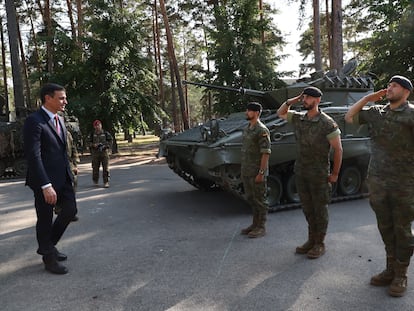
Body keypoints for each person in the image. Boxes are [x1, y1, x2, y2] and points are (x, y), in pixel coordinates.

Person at [345, 75, 414, 297]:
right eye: (389, 85)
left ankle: (401, 274)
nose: (389, 88)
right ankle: (390, 269)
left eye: (395, 85)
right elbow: (349, 116)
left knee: (402, 230)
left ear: (406, 92)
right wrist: (368, 97)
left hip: (404, 183)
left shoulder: (412, 114)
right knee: (385, 227)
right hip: (378, 181)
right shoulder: (377, 112)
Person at [277, 86, 343, 259]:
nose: (304, 100)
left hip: (319, 174)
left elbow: (338, 149)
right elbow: (281, 113)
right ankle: (311, 239)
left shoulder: (327, 123)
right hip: (301, 171)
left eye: (308, 98)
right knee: (307, 208)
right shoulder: (299, 118)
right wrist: (293, 99)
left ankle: (319, 243)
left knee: (319, 209)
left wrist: (335, 173)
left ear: (317, 100)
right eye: (304, 97)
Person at [23, 83, 77, 274]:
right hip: (44, 181)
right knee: (45, 218)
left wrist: (70, 174)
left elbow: (62, 151)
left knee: (70, 210)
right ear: (48, 98)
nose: (65, 101)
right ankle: (49, 258)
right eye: (61, 98)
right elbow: (34, 155)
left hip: (63, 178)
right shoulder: (34, 121)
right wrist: (46, 184)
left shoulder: (59, 119)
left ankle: (47, 247)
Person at [240, 102, 271, 238]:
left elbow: (265, 153)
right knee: (251, 198)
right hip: (247, 170)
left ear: (257, 113)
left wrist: (261, 173)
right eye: (247, 110)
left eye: (250, 111)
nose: (247, 112)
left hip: (257, 171)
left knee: (260, 199)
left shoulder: (261, 130)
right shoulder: (248, 128)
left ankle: (261, 227)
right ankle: (255, 223)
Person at [88, 120, 113, 188]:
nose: (97, 127)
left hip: (104, 153)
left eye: (98, 125)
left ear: (101, 125)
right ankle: (95, 181)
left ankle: (106, 182)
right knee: (95, 168)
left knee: (106, 168)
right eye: (96, 126)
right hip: (95, 154)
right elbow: (88, 142)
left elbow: (110, 140)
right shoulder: (92, 134)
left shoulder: (105, 133)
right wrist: (93, 145)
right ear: (94, 127)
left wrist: (106, 146)